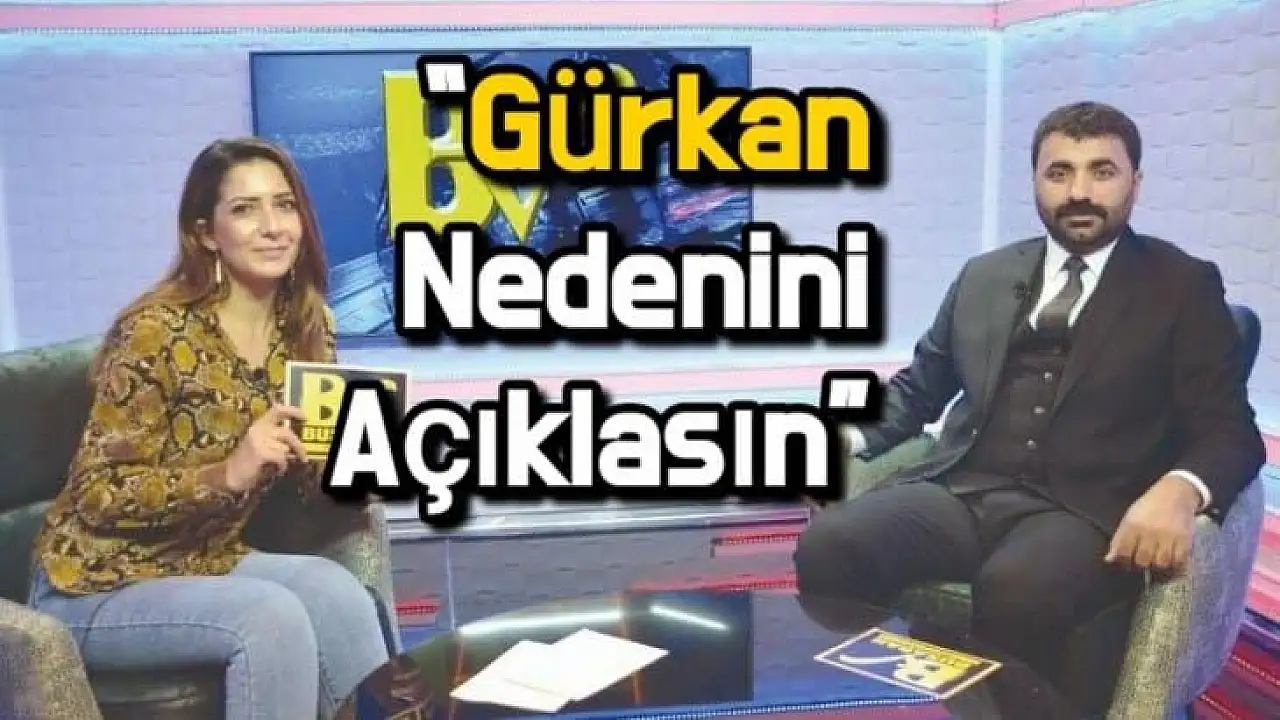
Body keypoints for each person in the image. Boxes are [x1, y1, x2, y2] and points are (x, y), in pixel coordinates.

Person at [793, 101, 1266, 714]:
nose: (1079, 192)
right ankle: (883, 702)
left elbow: (1231, 431)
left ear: (1135, 183)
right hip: (964, 491)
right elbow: (919, 388)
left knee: (1018, 589)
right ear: (1035, 182)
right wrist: (842, 441)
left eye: (1102, 171)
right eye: (1059, 172)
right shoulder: (984, 276)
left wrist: (1179, 489)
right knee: (830, 544)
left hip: (1084, 510)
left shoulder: (1182, 285)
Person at [27, 137, 392, 719]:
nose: (273, 227)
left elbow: (307, 481)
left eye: (284, 205)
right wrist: (227, 473)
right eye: (245, 210)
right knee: (270, 620)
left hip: (210, 557)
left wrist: (357, 470)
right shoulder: (155, 330)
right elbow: (97, 493)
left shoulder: (307, 323)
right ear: (205, 233)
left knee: (340, 595)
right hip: (96, 580)